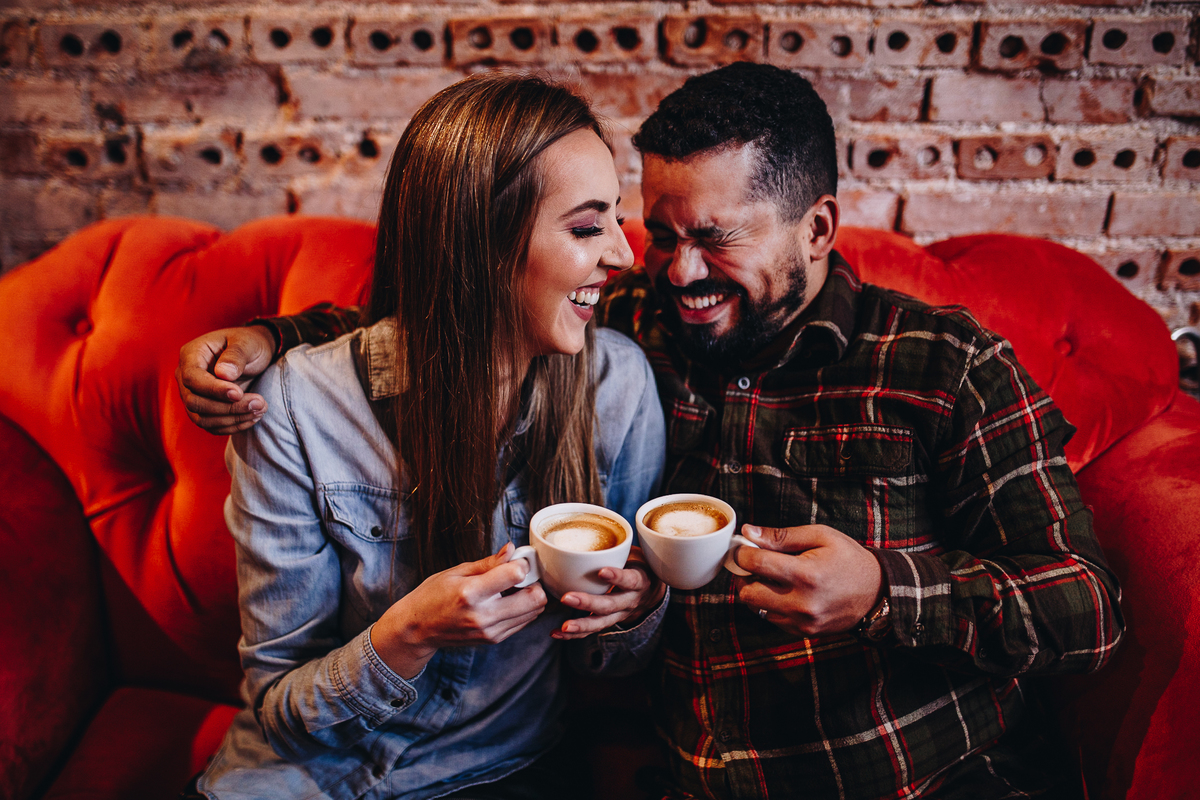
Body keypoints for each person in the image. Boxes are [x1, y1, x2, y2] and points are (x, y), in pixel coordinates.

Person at [179, 64, 1124, 799]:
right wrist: (266, 342)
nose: (673, 271)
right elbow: (451, 312)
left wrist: (884, 592)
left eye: (714, 238)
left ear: (819, 227)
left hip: (912, 777)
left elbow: (1088, 607)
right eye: (660, 233)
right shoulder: (625, 327)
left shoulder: (943, 364)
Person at [189, 73, 669, 800]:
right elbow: (280, 710)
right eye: (585, 227)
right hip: (301, 778)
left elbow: (611, 664)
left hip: (499, 768)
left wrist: (634, 609)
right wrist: (406, 635)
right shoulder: (295, 407)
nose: (624, 256)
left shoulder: (620, 386)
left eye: (617, 219)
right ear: (478, 241)